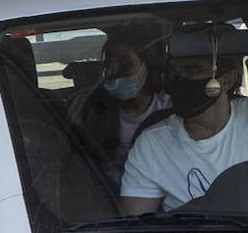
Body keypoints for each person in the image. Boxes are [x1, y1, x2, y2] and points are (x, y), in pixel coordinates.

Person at [120, 52, 248, 214]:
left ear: (227, 80)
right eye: (175, 73)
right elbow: (137, 228)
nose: (182, 80)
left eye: (193, 70)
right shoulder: (153, 144)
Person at [67, 27, 171, 195]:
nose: (115, 72)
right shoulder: (88, 107)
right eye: (109, 65)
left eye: (125, 64)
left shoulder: (169, 108)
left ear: (148, 66)